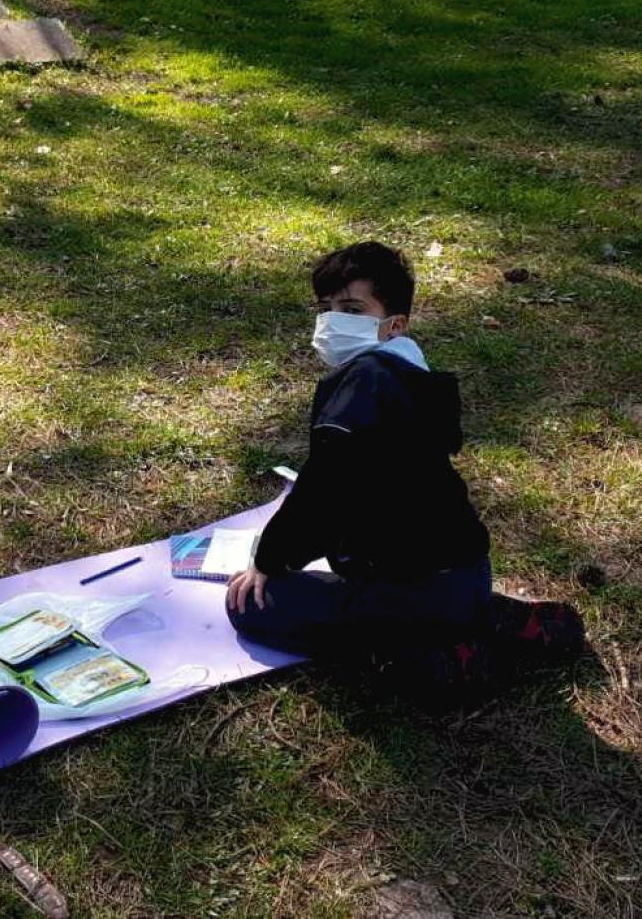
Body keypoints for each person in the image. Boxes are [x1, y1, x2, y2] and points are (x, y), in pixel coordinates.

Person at [225, 241, 582, 694]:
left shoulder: (366, 381)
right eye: (326, 307)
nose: (334, 321)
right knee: (340, 585)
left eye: (352, 308)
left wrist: (268, 560)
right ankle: (479, 612)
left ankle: (434, 652)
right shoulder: (413, 378)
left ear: (393, 325)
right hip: (463, 572)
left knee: (252, 605)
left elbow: (325, 492)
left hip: (415, 588)